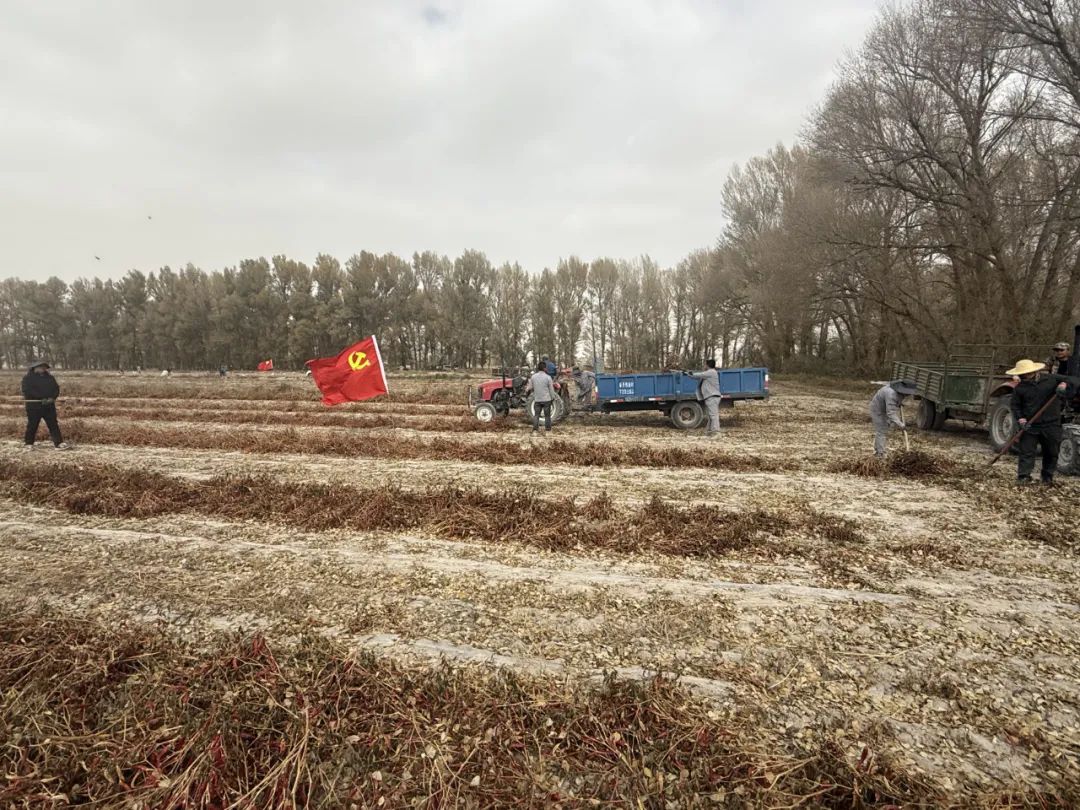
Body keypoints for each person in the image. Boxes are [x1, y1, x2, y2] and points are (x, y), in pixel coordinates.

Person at [1007, 358, 1080, 486]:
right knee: (1026, 452)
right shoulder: (1020, 388)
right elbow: (1015, 406)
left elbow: (1074, 380)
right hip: (1030, 425)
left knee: (1051, 452)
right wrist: (1020, 418)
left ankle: (1047, 477)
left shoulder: (1051, 379)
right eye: (1022, 374)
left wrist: (1064, 385)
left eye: (1027, 373)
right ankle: (1023, 477)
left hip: (1051, 423)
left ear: (1034, 371)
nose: (1025, 376)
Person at [21, 360, 70, 451]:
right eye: (41, 367)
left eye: (44, 367)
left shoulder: (50, 378)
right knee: (32, 425)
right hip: (34, 406)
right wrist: (41, 398)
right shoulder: (28, 378)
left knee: (53, 424)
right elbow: (27, 391)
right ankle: (28, 443)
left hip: (49, 406)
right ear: (35, 368)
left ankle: (58, 443)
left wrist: (52, 398)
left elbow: (56, 388)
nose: (43, 369)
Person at [868, 379, 918, 457]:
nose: (909, 395)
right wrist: (901, 425)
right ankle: (880, 454)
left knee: (885, 428)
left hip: (885, 408)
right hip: (878, 410)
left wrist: (899, 403)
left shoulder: (898, 390)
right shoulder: (891, 394)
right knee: (881, 431)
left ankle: (878, 449)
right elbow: (891, 413)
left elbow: (896, 400)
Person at [684, 359, 722, 435]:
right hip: (711, 397)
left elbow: (699, 375)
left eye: (705, 364)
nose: (704, 366)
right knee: (711, 415)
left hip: (712, 396)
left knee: (713, 415)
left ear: (708, 365)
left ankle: (716, 432)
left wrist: (690, 373)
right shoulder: (709, 373)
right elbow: (696, 377)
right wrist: (688, 374)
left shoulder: (711, 372)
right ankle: (709, 431)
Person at [525, 361, 556, 433]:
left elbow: (529, 387)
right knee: (547, 416)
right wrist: (553, 398)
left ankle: (535, 430)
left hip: (537, 399)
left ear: (538, 368)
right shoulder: (548, 377)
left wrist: (526, 390)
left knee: (536, 415)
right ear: (545, 368)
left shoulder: (533, 377)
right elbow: (551, 390)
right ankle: (548, 430)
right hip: (546, 400)